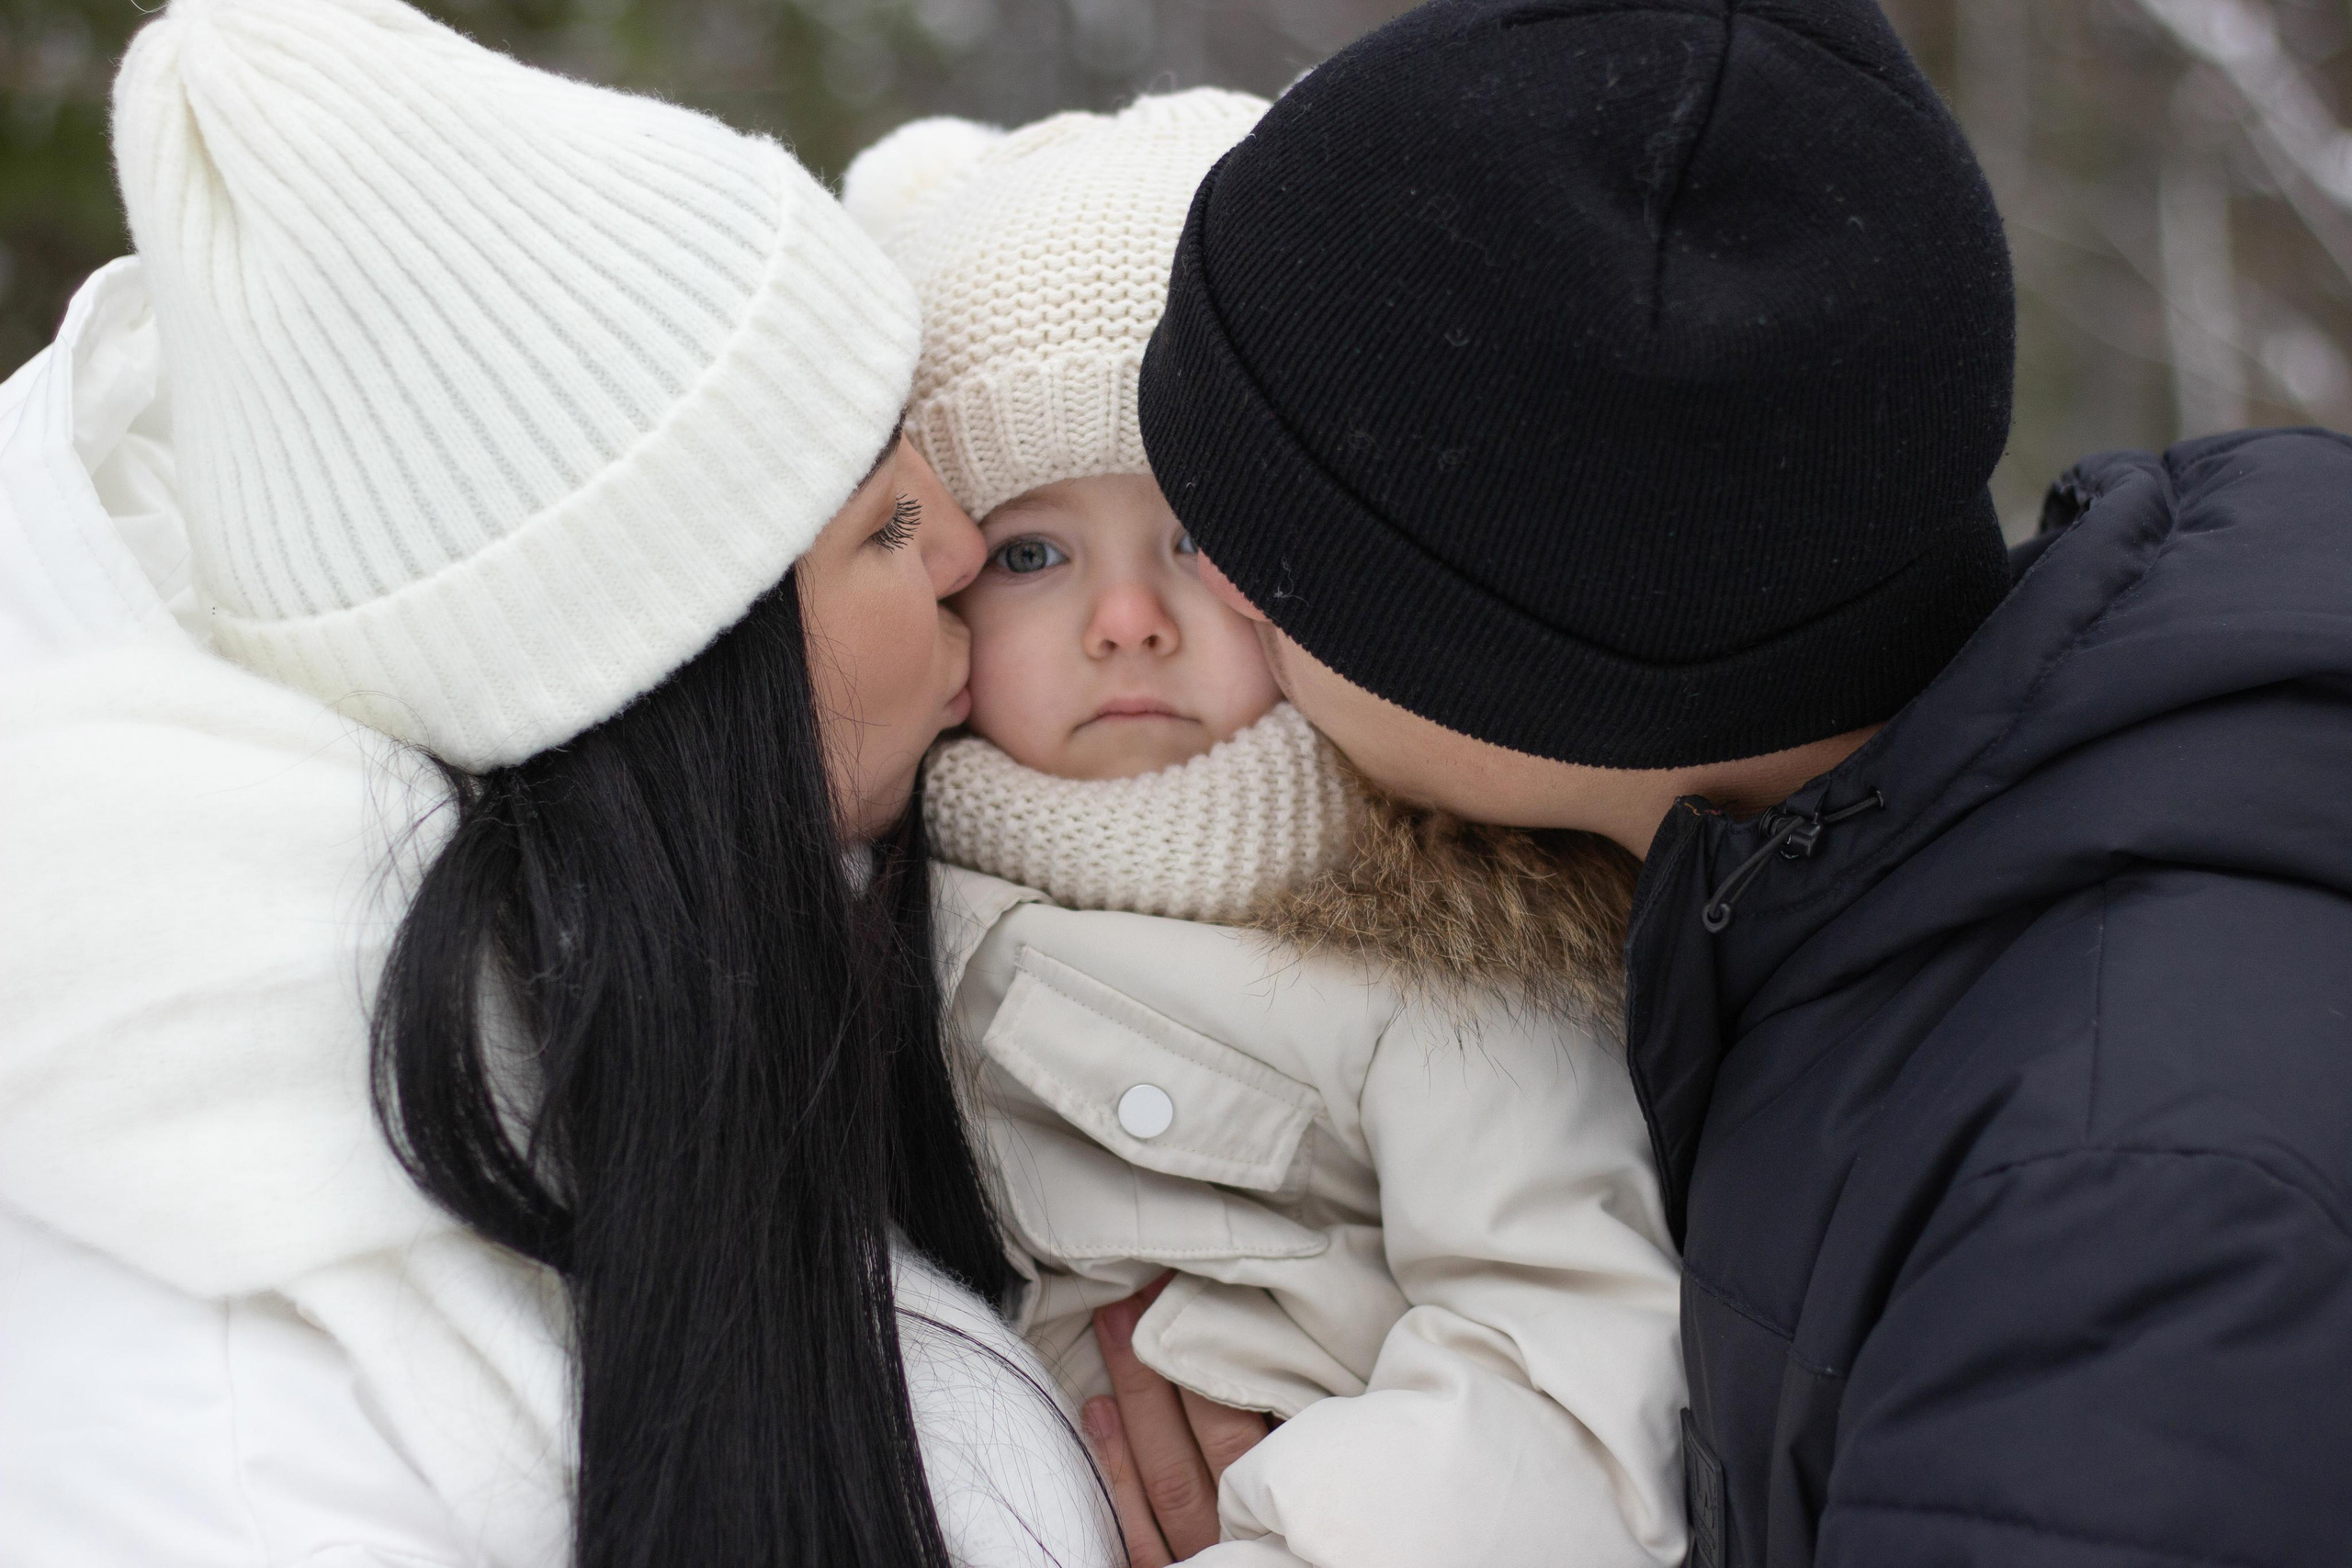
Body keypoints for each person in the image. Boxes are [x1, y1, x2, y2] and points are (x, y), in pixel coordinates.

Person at [1110, 1, 2352, 1565]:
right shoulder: (1840, 898)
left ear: (1526, 654)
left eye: (1264, 552)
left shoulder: (2122, 1236)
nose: (1204, 583)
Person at [0, 1, 1112, 1564]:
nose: (963, 546)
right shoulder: (236, 1433)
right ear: (672, 690)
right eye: (878, 523)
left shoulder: (713, 1004)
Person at [844, 94, 1687, 1568]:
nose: (1126, 622)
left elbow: (1570, 1357)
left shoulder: (1431, 924)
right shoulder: (862, 891)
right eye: (1036, 552)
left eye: (1198, 536)